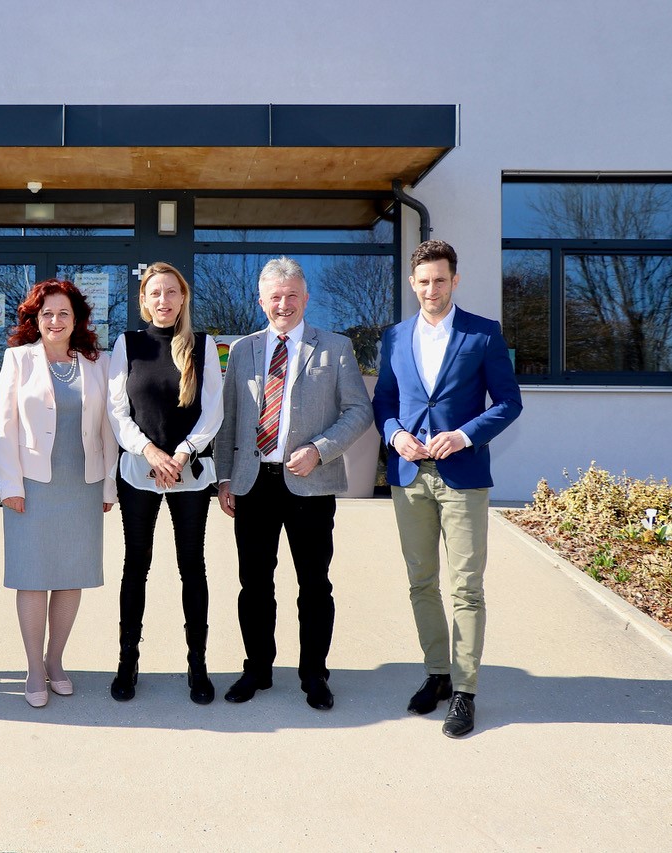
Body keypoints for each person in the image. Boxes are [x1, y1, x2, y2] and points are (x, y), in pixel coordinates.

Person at [372, 239, 522, 738]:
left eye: (440, 280)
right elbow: (384, 401)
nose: (431, 289)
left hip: (463, 476)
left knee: (466, 587)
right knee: (421, 582)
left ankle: (465, 690)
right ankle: (437, 673)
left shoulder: (483, 333)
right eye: (423, 281)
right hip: (409, 476)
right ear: (412, 284)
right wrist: (395, 435)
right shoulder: (395, 337)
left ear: (454, 281)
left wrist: (463, 436)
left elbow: (508, 402)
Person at [214, 257, 372, 711]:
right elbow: (229, 417)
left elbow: (359, 411)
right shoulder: (242, 350)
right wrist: (224, 476)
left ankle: (314, 675)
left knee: (314, 584)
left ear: (306, 298)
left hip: (310, 484)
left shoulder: (335, 347)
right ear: (260, 301)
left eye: (291, 296)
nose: (283, 304)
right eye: (274, 297)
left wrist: (320, 449)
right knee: (254, 584)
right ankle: (257, 669)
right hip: (253, 483)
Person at [0, 280, 118, 708]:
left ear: (77, 318)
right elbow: (4, 426)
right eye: (47, 313)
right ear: (35, 318)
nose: (55, 320)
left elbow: (108, 428)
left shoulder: (98, 363)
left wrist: (108, 483)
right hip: (31, 486)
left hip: (82, 485)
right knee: (32, 576)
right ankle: (33, 667)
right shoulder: (18, 359)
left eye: (64, 312)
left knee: (70, 575)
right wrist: (10, 486)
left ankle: (55, 660)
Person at [107, 262, 224, 704]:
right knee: (136, 566)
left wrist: (182, 453)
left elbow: (213, 410)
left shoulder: (203, 346)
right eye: (155, 292)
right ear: (144, 300)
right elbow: (117, 411)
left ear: (183, 298)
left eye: (171, 292)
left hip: (188, 474)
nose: (164, 300)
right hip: (140, 472)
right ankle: (127, 662)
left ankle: (198, 665)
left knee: (192, 566)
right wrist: (150, 452)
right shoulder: (127, 344)